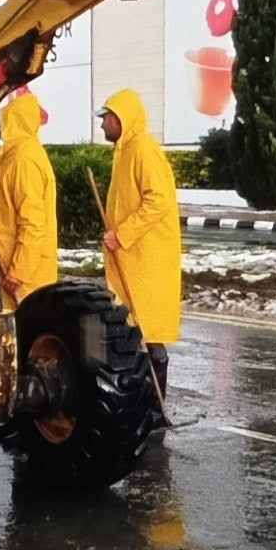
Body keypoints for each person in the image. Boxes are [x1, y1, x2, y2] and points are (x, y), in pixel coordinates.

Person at [98, 89, 180, 399]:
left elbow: (158, 201)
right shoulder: (125, 150)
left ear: (122, 118)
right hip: (131, 257)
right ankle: (144, 399)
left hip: (146, 258)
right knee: (136, 327)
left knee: (149, 330)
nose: (103, 124)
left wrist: (122, 234)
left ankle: (155, 402)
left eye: (107, 118)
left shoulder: (144, 150)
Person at [0, 90, 58, 309]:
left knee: (24, 333)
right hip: (6, 266)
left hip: (21, 279)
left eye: (7, 116)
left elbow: (33, 223)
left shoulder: (23, 160)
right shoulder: (13, 155)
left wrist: (19, 271)